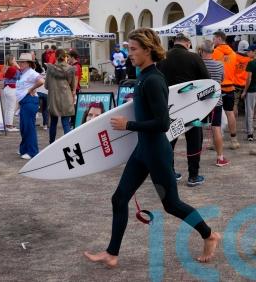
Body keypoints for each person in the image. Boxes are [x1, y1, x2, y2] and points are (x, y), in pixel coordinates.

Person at [83, 28, 221, 268]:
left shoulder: (154, 80)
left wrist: (128, 125)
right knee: (119, 199)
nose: (129, 53)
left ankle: (209, 235)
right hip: (142, 151)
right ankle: (112, 254)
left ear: (147, 50)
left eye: (133, 49)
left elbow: (162, 123)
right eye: (129, 49)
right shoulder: (144, 77)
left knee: (171, 204)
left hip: (156, 152)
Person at [157, 31, 210, 186]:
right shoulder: (194, 57)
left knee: (169, 139)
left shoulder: (163, 58)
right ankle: (193, 176)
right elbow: (207, 81)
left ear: (175, 41)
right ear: (188, 42)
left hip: (170, 106)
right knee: (194, 140)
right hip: (191, 107)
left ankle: (170, 173)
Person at [198, 39, 229, 167]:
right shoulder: (219, 65)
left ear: (201, 51)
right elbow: (222, 79)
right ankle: (220, 158)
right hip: (216, 101)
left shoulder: (198, 64)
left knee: (197, 128)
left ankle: (195, 158)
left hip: (200, 102)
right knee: (216, 128)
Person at [212, 31, 239, 149]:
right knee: (230, 113)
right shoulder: (233, 53)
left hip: (218, 87)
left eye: (214, 38)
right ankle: (234, 140)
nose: (213, 41)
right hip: (230, 86)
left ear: (219, 38)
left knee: (216, 114)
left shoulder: (215, 52)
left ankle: (216, 141)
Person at [16, 53, 45, 160]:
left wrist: (31, 89)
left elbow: (41, 81)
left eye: (23, 62)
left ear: (28, 63)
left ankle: (32, 152)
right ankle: (24, 149)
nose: (21, 63)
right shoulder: (24, 73)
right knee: (24, 127)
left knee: (29, 127)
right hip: (25, 102)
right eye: (20, 62)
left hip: (29, 101)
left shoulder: (31, 72)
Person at [45, 49, 76, 143]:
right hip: (66, 98)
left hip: (54, 98)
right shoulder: (70, 69)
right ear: (65, 57)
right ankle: (68, 144)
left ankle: (51, 143)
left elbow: (46, 86)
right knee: (66, 123)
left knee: (53, 123)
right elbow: (72, 85)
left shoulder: (50, 69)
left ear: (55, 57)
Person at [241, 44, 256, 142]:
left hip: (251, 91)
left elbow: (249, 79)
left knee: (250, 113)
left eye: (249, 51)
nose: (247, 53)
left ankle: (250, 133)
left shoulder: (251, 63)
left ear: (254, 51)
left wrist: (244, 91)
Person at [233, 40, 251, 143]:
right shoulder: (250, 58)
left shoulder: (234, 57)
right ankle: (249, 128)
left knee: (234, 105)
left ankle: (233, 125)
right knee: (248, 107)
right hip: (246, 85)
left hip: (235, 84)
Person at [2, 55, 20, 132]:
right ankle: (9, 125)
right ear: (11, 60)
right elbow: (20, 75)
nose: (15, 61)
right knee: (11, 108)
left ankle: (7, 124)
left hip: (7, 88)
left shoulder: (6, 68)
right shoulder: (12, 68)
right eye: (14, 59)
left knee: (8, 108)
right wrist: (17, 66)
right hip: (11, 89)